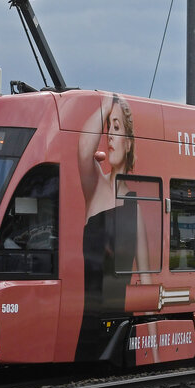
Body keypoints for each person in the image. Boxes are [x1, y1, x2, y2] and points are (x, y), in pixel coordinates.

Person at [76, 93, 149, 359]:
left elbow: (148, 278)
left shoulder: (136, 208)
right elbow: (83, 147)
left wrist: (152, 349)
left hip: (121, 327)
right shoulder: (96, 186)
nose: (110, 137)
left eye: (117, 129)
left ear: (129, 144)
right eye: (109, 129)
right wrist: (105, 106)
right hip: (89, 321)